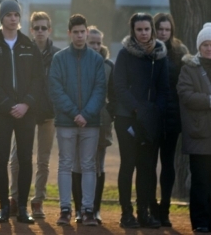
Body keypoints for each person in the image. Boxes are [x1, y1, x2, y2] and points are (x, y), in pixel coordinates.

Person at [0, 0, 45, 224]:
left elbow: (38, 79)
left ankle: (23, 208)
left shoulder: (29, 46)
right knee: (1, 159)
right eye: (9, 14)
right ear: (2, 18)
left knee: (26, 159)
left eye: (16, 14)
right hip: (2, 113)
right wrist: (9, 105)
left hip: (26, 112)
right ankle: (3, 207)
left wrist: (26, 103)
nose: (13, 18)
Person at [49, 14, 106, 226]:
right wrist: (75, 113)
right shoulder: (59, 58)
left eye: (83, 32)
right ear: (69, 33)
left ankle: (88, 210)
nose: (80, 36)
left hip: (90, 123)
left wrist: (86, 114)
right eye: (76, 32)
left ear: (87, 32)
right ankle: (65, 209)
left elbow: (100, 90)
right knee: (65, 164)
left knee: (89, 165)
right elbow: (55, 89)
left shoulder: (96, 60)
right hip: (66, 121)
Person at [113, 13, 169, 229]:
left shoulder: (159, 54)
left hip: (150, 120)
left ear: (152, 30)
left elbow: (163, 89)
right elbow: (119, 86)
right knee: (128, 164)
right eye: (139, 29)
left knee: (146, 167)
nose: (144, 33)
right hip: (127, 118)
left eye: (147, 29)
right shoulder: (124, 54)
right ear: (133, 31)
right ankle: (126, 213)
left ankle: (143, 212)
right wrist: (137, 109)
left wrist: (154, 111)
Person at [9, 12, 60, 218]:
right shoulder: (23, 51)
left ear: (49, 30)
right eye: (36, 28)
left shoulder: (57, 55)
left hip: (48, 113)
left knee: (43, 160)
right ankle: (14, 199)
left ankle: (38, 201)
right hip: (25, 111)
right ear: (31, 30)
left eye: (44, 28)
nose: (40, 31)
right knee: (16, 159)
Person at [72, 26, 115, 224]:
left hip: (101, 123)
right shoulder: (73, 63)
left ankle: (95, 209)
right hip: (77, 121)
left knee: (98, 165)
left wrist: (109, 114)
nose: (96, 46)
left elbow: (114, 96)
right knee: (78, 164)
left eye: (99, 43)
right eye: (92, 43)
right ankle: (79, 209)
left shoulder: (109, 66)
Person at [152, 12, 189, 227]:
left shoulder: (180, 53)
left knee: (168, 164)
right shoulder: (146, 51)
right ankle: (150, 208)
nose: (164, 33)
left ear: (171, 31)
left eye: (167, 29)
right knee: (148, 165)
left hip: (172, 117)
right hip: (150, 117)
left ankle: (164, 209)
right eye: (160, 29)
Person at [177, 23, 211, 233]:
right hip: (199, 134)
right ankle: (200, 222)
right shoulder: (189, 68)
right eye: (205, 44)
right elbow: (186, 95)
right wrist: (209, 100)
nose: (209, 48)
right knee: (200, 181)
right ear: (199, 46)